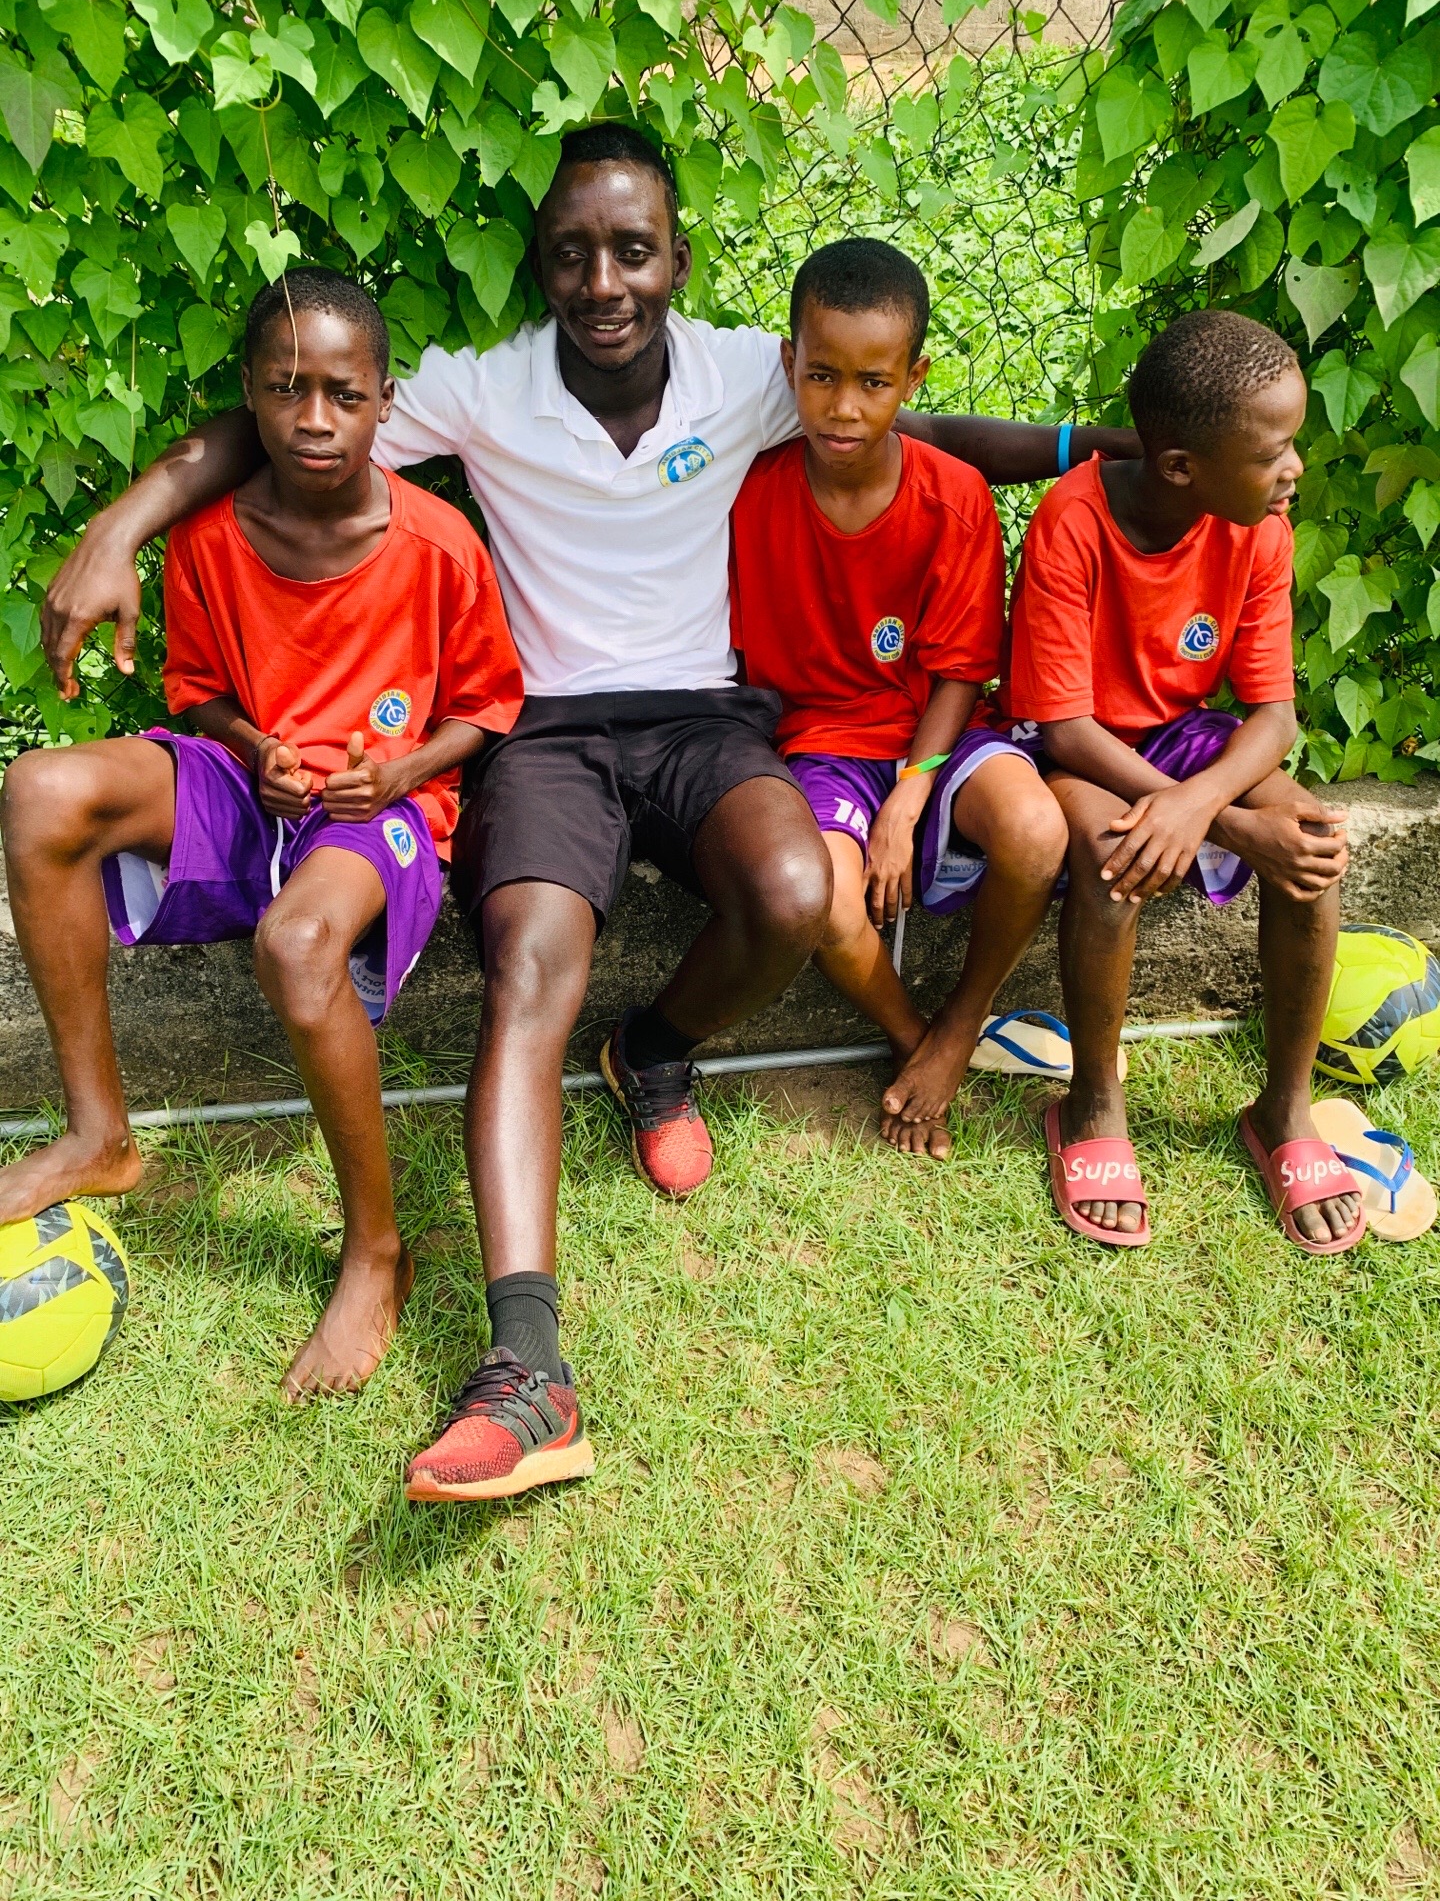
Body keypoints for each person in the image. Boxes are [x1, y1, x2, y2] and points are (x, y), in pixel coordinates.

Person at [42, 122, 1140, 1502]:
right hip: (545, 731)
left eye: (633, 249)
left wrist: (1101, 445)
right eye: (573, 252)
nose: (604, 281)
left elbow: (918, 427)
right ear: (540, 263)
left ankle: (654, 1051)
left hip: (706, 720)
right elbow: (264, 423)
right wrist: (120, 527)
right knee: (529, 970)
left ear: (677, 258)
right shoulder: (484, 389)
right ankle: (528, 1367)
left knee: (794, 894)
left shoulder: (751, 373)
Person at [1, 269, 523, 1399]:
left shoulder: (439, 544)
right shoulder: (211, 537)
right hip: (256, 787)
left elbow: (489, 708)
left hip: (381, 810)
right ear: (249, 394)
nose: (315, 419)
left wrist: (401, 771)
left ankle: (375, 1250)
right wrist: (254, 748)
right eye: (287, 390)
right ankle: (98, 1136)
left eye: (344, 394)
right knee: (40, 790)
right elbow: (196, 691)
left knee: (297, 942)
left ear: (385, 403)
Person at [1003, 309, 1362, 1253]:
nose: (1294, 469)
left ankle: (1284, 1108)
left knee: (1311, 850)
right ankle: (1093, 1102)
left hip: (1181, 743)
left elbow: (1273, 717)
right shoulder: (1073, 521)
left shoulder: (1261, 532)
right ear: (1179, 468)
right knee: (1118, 859)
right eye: (1273, 453)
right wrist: (1227, 828)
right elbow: (1064, 726)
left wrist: (1198, 804)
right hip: (1079, 747)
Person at [730, 240, 1068, 1159]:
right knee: (829, 898)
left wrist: (911, 795)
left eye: (874, 383)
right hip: (823, 745)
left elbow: (961, 671)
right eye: (822, 376)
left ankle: (961, 1023)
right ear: (788, 364)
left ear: (913, 379)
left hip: (937, 732)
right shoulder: (748, 496)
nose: (844, 407)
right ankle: (912, 1036)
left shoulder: (954, 498)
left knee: (1035, 830)